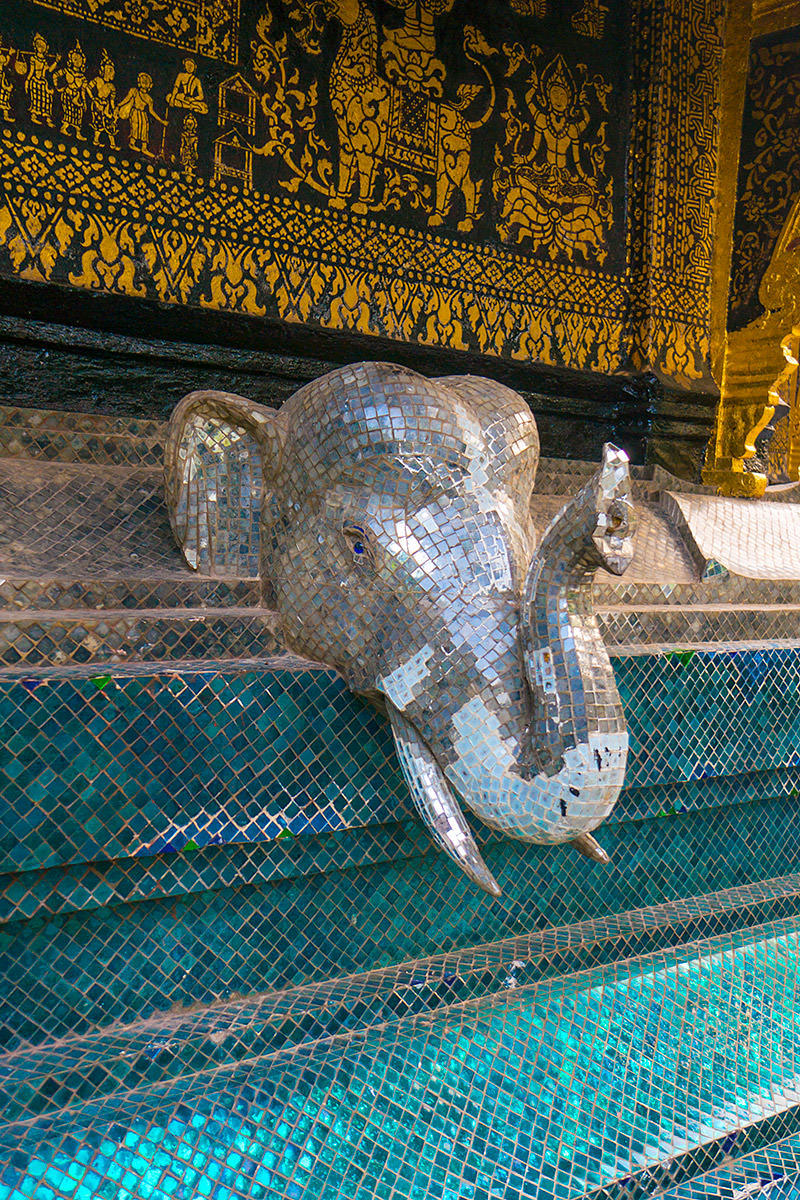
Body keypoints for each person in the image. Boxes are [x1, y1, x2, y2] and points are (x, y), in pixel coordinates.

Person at [117, 72, 166, 156]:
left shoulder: (149, 99)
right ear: (139, 83)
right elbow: (126, 100)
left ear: (150, 85)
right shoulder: (134, 91)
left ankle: (144, 147)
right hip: (135, 112)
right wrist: (118, 105)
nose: (145, 83)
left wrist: (162, 121)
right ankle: (132, 143)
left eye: (147, 82)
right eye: (143, 81)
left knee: (144, 128)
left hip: (143, 115)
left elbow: (152, 111)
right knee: (135, 127)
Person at [57, 41, 88, 139]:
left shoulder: (82, 77)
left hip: (77, 96)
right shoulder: (67, 71)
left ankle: (78, 133)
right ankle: (63, 128)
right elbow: (55, 75)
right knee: (69, 112)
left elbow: (83, 90)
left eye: (79, 59)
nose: (77, 61)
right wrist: (57, 87)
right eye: (75, 59)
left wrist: (84, 101)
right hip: (68, 94)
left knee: (79, 114)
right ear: (71, 60)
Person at [26, 33, 58, 127]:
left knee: (47, 98)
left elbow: (49, 70)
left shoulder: (44, 60)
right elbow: (31, 72)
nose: (41, 47)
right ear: (35, 46)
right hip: (35, 81)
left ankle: (48, 118)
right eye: (39, 45)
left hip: (43, 82)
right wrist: (27, 81)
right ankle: (34, 116)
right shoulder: (33, 59)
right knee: (36, 98)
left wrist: (56, 61)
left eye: (42, 46)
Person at [87, 49, 118, 148]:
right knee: (98, 123)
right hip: (97, 104)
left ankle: (112, 144)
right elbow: (88, 87)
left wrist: (113, 110)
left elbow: (112, 101)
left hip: (106, 106)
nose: (110, 72)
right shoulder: (98, 80)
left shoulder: (111, 86)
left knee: (110, 124)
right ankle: (96, 140)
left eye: (111, 70)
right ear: (103, 70)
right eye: (108, 69)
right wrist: (93, 99)